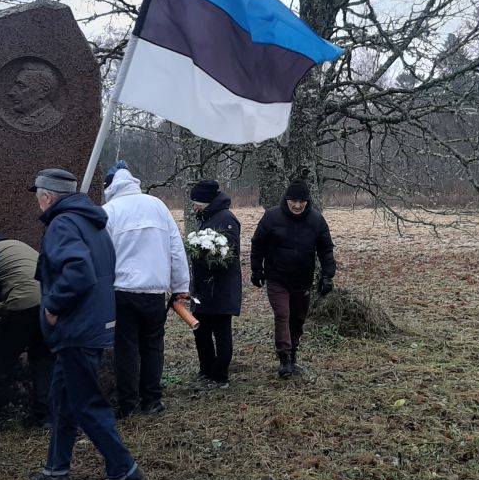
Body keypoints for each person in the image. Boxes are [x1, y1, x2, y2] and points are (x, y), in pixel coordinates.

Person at [29, 168, 146, 480]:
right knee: (64, 400)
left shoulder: (62, 224)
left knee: (87, 403)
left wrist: (53, 305)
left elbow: (79, 272)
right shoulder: (92, 223)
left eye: (38, 197)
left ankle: (125, 472)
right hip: (93, 323)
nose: (38, 203)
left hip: (75, 328)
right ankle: (56, 471)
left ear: (47, 197)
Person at [101, 161, 190, 416]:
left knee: (125, 348)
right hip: (154, 291)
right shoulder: (157, 206)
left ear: (110, 187)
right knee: (153, 344)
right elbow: (176, 248)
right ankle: (152, 400)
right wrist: (180, 287)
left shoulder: (109, 211)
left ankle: (128, 403)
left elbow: (103, 254)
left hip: (122, 291)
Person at [250, 178, 336, 378]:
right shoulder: (272, 217)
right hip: (277, 277)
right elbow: (258, 243)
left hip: (302, 279)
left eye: (301, 201)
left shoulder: (316, 220)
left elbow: (326, 249)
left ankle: (293, 351)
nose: (297, 205)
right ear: (286, 199)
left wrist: (327, 276)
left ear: (307, 201)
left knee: (297, 319)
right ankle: (285, 358)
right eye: (293, 201)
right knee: (282, 314)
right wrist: (256, 270)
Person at [0, 239, 53, 430]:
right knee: (43, 360)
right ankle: (46, 417)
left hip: (24, 303)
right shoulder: (16, 247)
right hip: (49, 303)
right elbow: (18, 285)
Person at [188, 180, 242, 388]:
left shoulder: (226, 219)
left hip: (220, 288)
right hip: (205, 288)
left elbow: (229, 254)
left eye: (196, 202)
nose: (194, 206)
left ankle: (220, 376)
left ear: (207, 202)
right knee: (201, 331)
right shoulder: (208, 217)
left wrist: (205, 257)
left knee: (221, 332)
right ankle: (206, 370)